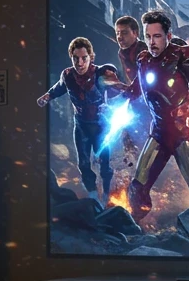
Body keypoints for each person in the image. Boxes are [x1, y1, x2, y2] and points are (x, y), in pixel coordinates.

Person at [117, 10, 189, 219]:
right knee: (137, 189)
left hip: (182, 135)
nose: (152, 42)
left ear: (168, 36)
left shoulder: (182, 56)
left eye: (157, 36)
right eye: (148, 37)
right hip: (159, 134)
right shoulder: (143, 60)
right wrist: (113, 91)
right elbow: (136, 89)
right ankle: (135, 231)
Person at [38, 36, 126, 199]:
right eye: (75, 58)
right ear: (71, 57)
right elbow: (58, 88)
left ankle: (106, 195)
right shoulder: (68, 75)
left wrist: (112, 105)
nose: (79, 63)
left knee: (104, 164)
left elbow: (122, 91)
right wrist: (47, 96)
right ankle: (93, 196)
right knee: (84, 164)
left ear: (91, 57)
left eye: (83, 58)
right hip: (82, 126)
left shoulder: (101, 73)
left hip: (101, 126)